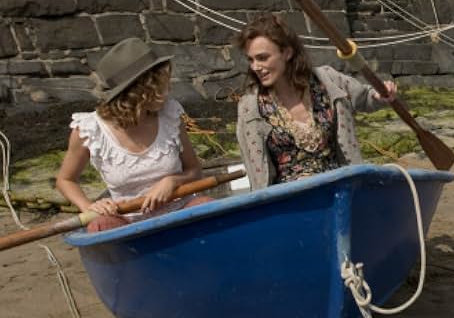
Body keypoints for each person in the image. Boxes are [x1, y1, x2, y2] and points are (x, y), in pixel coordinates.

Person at [55, 38, 209, 232]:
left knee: (206, 206)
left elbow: (195, 170)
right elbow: (65, 180)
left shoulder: (170, 115)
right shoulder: (90, 130)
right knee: (100, 225)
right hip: (127, 221)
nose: (169, 90)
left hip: (180, 210)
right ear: (142, 90)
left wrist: (172, 181)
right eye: (163, 85)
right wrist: (88, 206)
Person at [234, 13, 397, 190]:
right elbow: (257, 176)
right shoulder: (250, 107)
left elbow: (365, 98)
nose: (255, 67)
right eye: (251, 60)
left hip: (341, 189)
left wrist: (380, 96)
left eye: (263, 58)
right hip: (289, 201)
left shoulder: (328, 80)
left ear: (287, 53)